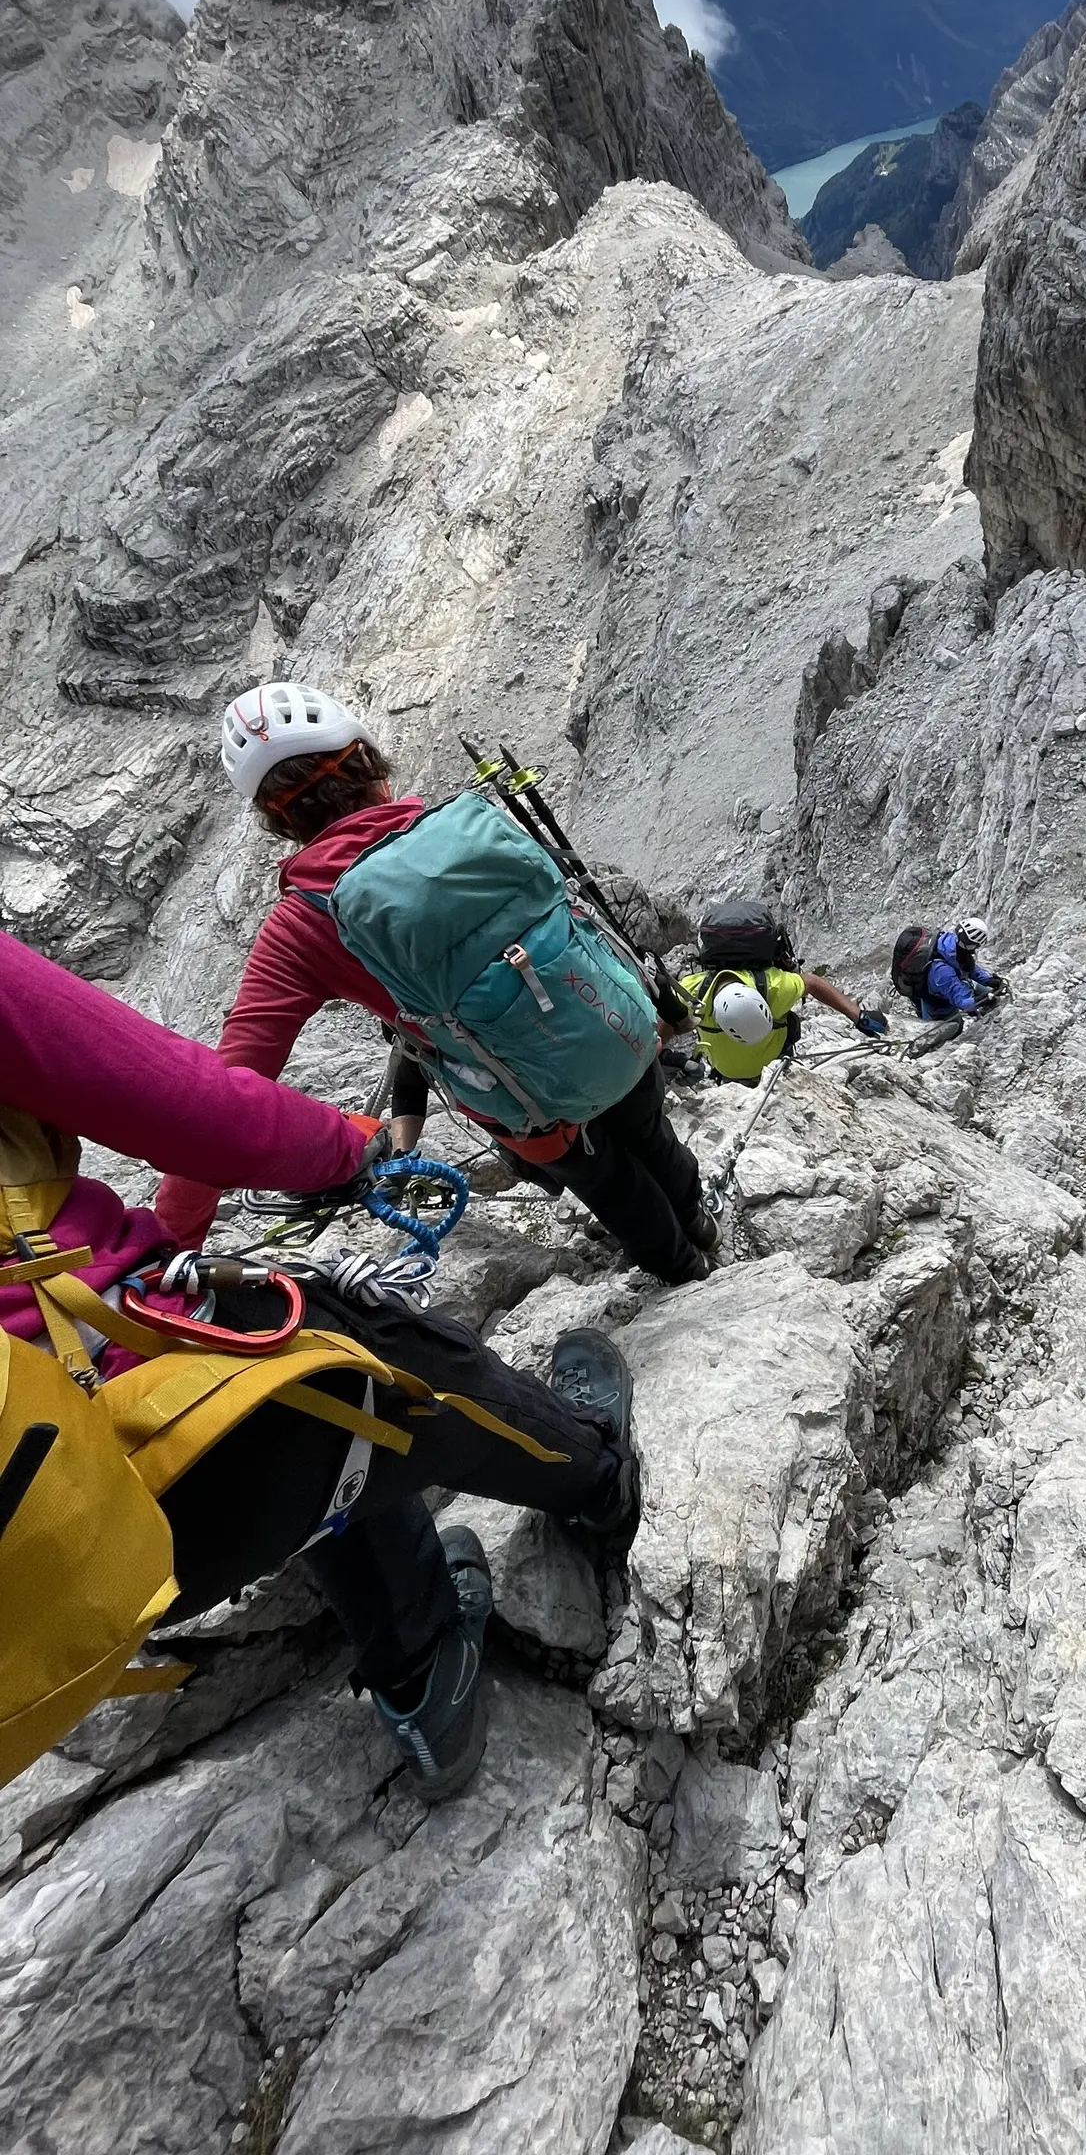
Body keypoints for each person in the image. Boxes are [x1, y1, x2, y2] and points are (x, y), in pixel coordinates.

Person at [2, 925, 638, 1798]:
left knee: (332, 1428)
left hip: (51, 1577)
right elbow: (171, 1096)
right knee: (389, 1363)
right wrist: (347, 1148)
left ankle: (423, 1674)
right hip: (137, 1429)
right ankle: (595, 1474)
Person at [155, 684, 717, 1287]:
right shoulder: (463, 824)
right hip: (607, 1025)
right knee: (652, 1136)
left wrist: (165, 1250)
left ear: (277, 820)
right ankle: (706, 1232)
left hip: (528, 1103)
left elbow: (227, 1095)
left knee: (613, 1186)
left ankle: (688, 1277)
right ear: (371, 765)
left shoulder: (301, 925)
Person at [680, 920, 888, 1087]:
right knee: (791, 1022)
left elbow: (667, 1024)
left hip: (725, 1070)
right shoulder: (775, 988)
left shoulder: (692, 994)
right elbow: (813, 983)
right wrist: (858, 1016)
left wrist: (668, 1058)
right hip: (775, 1065)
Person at [896, 918, 1000, 1021]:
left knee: (982, 990)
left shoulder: (952, 941)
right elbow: (962, 1001)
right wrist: (981, 1001)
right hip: (935, 1002)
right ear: (972, 945)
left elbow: (967, 965)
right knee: (956, 1026)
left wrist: (988, 980)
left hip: (943, 984)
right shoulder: (942, 971)